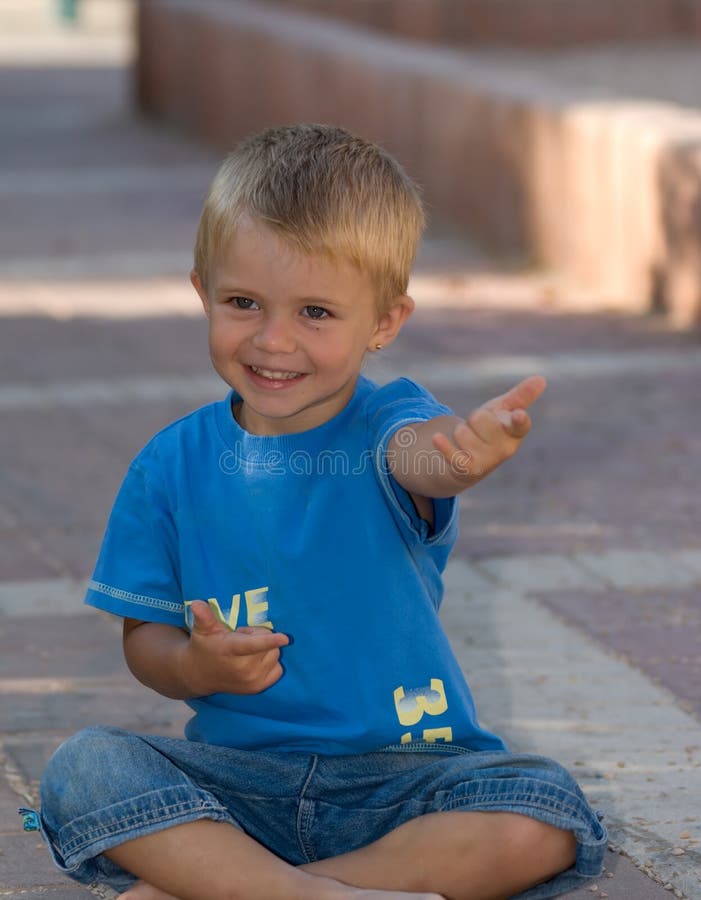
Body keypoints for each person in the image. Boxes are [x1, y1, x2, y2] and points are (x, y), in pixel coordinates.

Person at [32, 124, 606, 900]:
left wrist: (460, 455)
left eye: (315, 313)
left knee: (543, 813)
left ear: (383, 323)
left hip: (404, 782)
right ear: (202, 291)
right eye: (243, 303)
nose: (273, 340)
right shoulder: (167, 465)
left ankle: (243, 889)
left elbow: (421, 456)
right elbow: (146, 642)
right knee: (84, 768)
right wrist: (194, 666)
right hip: (236, 787)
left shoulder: (387, 427)